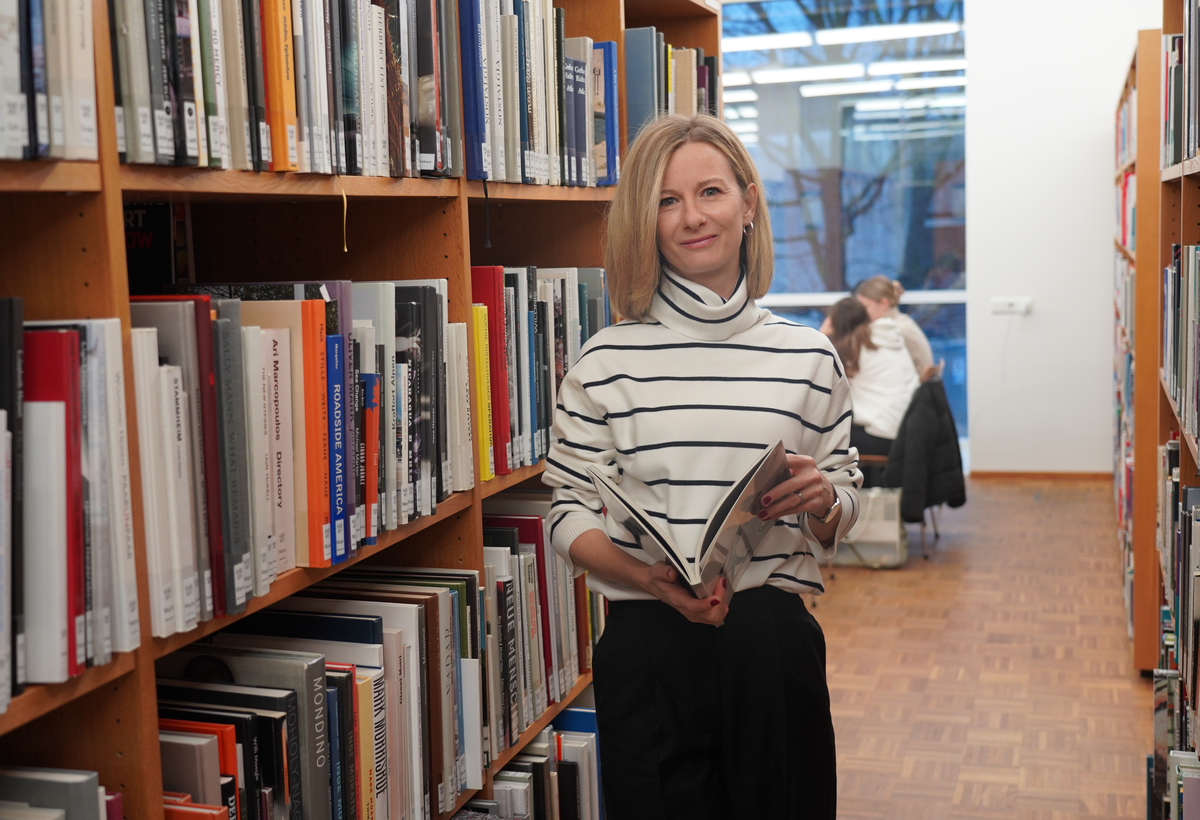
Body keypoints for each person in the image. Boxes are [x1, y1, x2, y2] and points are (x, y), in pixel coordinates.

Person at [541, 114, 861, 820]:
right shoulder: (603, 362)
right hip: (647, 645)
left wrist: (823, 498)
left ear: (748, 203)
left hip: (771, 646)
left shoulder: (808, 357)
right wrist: (645, 579)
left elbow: (844, 496)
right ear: (645, 221)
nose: (692, 217)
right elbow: (565, 512)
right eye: (666, 200)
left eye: (710, 192)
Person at [822, 297, 920, 468]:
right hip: (909, 433)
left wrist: (822, 333)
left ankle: (839, 493)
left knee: (822, 439)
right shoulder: (888, 339)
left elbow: (820, 378)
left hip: (883, 436)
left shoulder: (852, 347)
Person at [853, 276, 939, 380]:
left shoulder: (892, 329)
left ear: (884, 303)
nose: (861, 313)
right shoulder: (902, 321)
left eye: (865, 307)